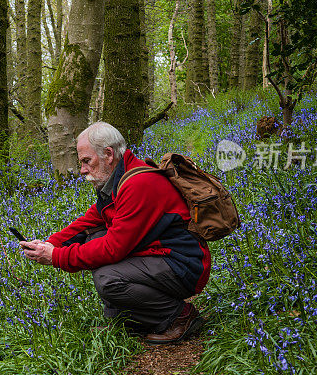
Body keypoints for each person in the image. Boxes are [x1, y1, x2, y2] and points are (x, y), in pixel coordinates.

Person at [20, 122, 210, 344]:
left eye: (86, 161)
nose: (82, 170)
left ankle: (179, 315)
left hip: (184, 265)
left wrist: (56, 256)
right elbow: (89, 221)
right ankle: (124, 319)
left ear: (108, 154)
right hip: (162, 256)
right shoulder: (119, 179)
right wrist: (49, 244)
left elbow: (113, 248)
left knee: (108, 278)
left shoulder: (138, 183)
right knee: (93, 238)